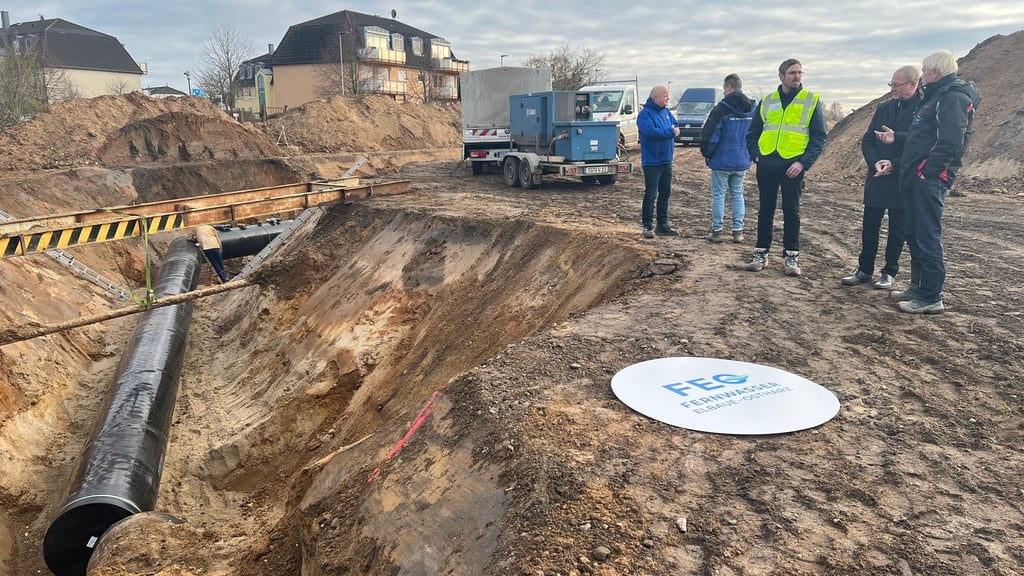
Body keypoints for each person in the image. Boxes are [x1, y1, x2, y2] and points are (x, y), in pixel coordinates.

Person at [877, 50, 980, 314]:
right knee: (913, 234)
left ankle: (931, 295)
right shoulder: (935, 98)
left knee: (927, 236)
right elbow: (921, 138)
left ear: (934, 72)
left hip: (929, 181)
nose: (922, 76)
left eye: (924, 71)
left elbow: (950, 143)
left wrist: (927, 172)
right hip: (915, 178)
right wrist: (898, 139)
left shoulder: (953, 98)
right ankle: (918, 288)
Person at [841, 65, 922, 289]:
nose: (892, 89)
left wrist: (894, 164)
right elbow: (868, 140)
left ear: (913, 84)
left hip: (902, 177)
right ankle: (864, 269)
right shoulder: (884, 107)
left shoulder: (923, 109)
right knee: (869, 226)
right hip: (877, 175)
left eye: (897, 85)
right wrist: (875, 162)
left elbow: (920, 146)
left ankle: (889, 272)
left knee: (898, 229)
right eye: (891, 84)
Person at [744, 58, 827, 276]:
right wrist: (755, 154)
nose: (796, 76)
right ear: (781, 76)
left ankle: (791, 256)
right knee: (765, 210)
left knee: (792, 211)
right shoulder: (768, 100)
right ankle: (761, 252)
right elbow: (753, 132)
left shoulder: (811, 101)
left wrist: (803, 163)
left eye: (799, 72)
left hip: (793, 165)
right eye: (792, 73)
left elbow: (819, 138)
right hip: (768, 163)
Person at [700, 73, 755, 243]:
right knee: (738, 194)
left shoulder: (721, 109)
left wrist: (707, 154)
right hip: (742, 160)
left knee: (719, 195)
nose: (724, 92)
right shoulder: (753, 109)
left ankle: (717, 230)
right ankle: (738, 230)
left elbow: (710, 135)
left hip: (722, 161)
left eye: (724, 89)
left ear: (729, 88)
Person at [637, 85, 680, 239]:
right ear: (655, 98)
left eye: (667, 96)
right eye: (664, 96)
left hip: (666, 159)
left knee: (665, 193)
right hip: (652, 161)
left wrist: (675, 130)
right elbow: (649, 132)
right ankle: (647, 225)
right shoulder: (645, 115)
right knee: (651, 194)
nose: (667, 98)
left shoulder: (667, 112)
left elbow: (675, 125)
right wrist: (670, 132)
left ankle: (663, 224)